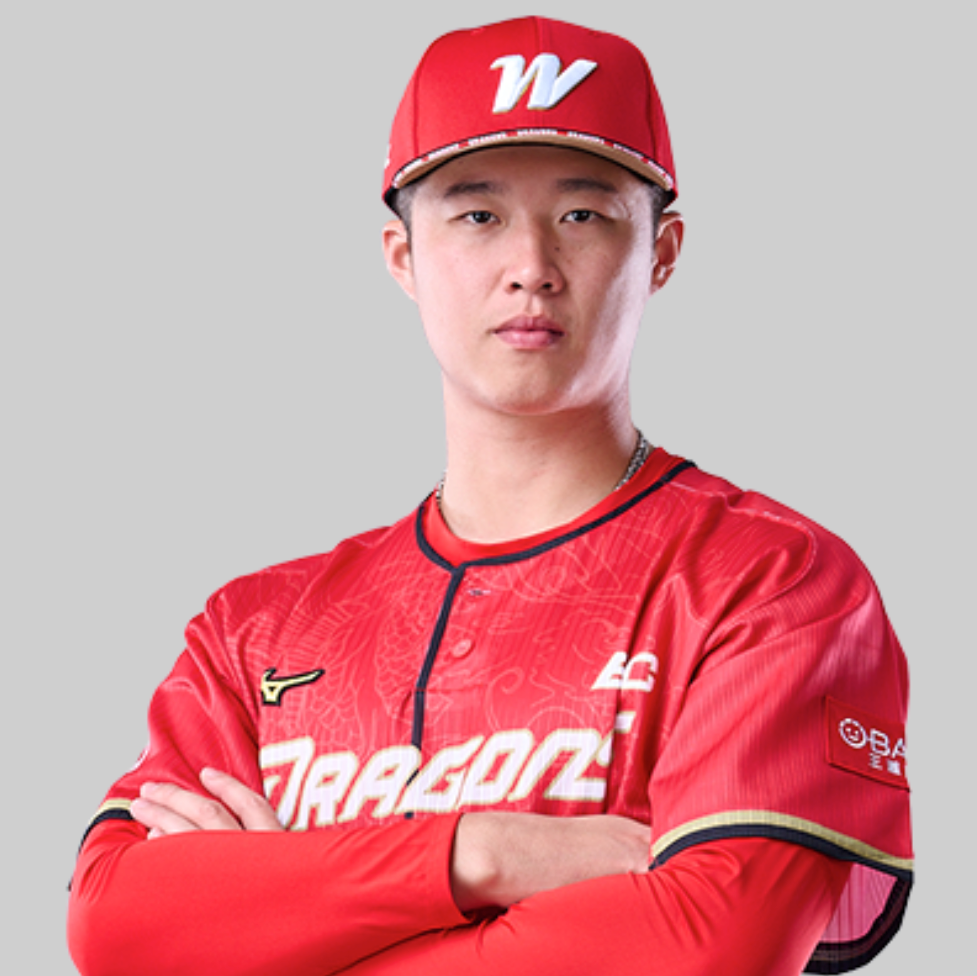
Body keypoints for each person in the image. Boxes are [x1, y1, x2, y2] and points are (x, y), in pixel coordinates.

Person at [67, 16, 912, 976]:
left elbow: (707, 949)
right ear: (401, 254)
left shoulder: (772, 582)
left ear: (661, 252)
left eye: (583, 214)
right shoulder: (254, 629)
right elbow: (114, 928)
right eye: (477, 216)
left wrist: (269, 917)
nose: (531, 268)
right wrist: (484, 852)